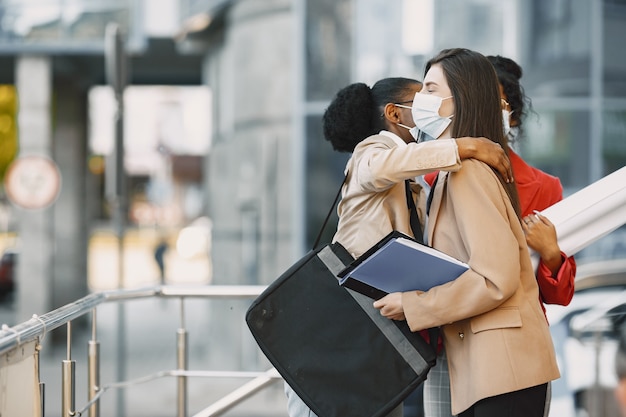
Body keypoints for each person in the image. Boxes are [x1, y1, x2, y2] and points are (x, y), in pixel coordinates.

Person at [284, 76, 514, 417]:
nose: (432, 108)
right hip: (346, 325)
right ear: (394, 113)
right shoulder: (370, 154)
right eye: (422, 98)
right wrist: (467, 145)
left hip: (372, 329)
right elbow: (387, 165)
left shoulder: (411, 179)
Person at [373, 48, 560, 417]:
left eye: (429, 89)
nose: (419, 100)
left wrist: (413, 305)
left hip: (504, 369)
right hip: (489, 368)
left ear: (458, 99)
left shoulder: (468, 173)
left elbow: (495, 278)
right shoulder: (451, 171)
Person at [418, 54, 577, 417]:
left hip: (504, 345)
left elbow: (528, 285)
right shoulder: (438, 175)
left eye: (502, 102)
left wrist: (551, 254)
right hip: (451, 338)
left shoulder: (538, 185)